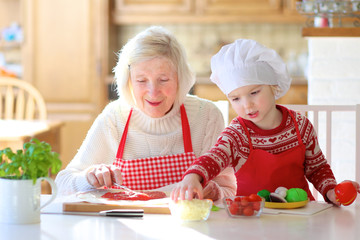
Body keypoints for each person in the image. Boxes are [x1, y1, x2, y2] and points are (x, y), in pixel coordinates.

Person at [55, 26, 236, 202]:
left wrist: (216, 193)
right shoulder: (114, 118)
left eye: (163, 80)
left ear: (180, 78)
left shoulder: (207, 117)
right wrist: (88, 178)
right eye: (142, 80)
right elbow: (62, 184)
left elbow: (230, 190)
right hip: (127, 229)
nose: (153, 91)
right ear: (129, 81)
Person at [171, 39, 360, 205]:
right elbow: (214, 157)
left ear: (274, 86)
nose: (247, 104)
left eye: (254, 92)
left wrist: (331, 191)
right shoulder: (237, 134)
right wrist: (192, 176)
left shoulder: (301, 126)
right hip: (252, 216)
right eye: (236, 99)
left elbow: (317, 168)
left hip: (300, 216)